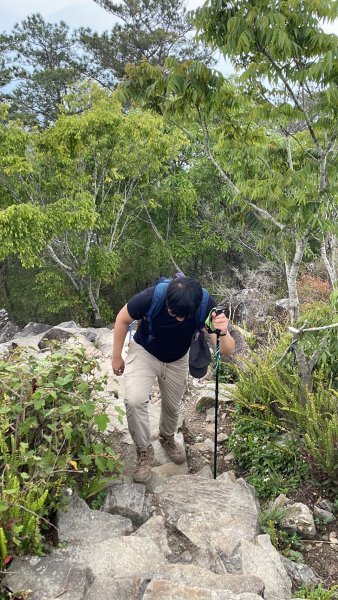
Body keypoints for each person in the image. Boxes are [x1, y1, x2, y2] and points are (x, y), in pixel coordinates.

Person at [112, 276, 235, 483]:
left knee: (172, 404)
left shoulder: (205, 307)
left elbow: (226, 350)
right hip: (145, 351)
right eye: (174, 314)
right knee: (134, 399)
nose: (179, 319)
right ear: (168, 300)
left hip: (178, 358)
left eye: (183, 317)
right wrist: (117, 356)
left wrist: (223, 332)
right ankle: (144, 451)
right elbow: (122, 319)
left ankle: (167, 437)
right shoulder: (151, 297)